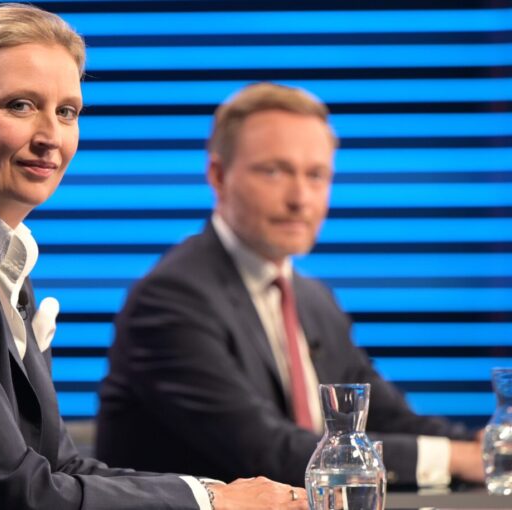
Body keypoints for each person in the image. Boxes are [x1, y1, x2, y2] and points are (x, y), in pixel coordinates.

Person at [0, 5, 308, 509]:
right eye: (21, 105)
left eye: (66, 111)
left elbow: (59, 466)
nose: (50, 136)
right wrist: (212, 503)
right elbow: (15, 489)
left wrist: (212, 493)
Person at [96, 82, 485, 488]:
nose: (301, 198)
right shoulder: (172, 299)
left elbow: (385, 416)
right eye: (275, 171)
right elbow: (269, 452)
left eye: (316, 175)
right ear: (218, 175)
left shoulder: (315, 299)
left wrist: (481, 445)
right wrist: (454, 458)